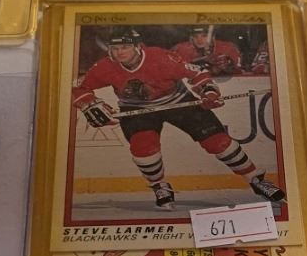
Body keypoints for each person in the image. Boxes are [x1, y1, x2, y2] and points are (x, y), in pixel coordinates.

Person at [74, 28, 284, 210]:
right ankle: (159, 186)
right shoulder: (104, 67)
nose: (120, 52)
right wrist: (88, 103)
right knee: (144, 150)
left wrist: (209, 92)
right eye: (115, 48)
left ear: (138, 47)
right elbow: (78, 88)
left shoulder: (162, 58)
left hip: (178, 101)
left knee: (219, 143)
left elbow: (198, 74)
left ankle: (256, 180)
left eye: (125, 47)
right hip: (137, 109)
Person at [171, 24, 244, 76]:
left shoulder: (228, 48)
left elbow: (240, 72)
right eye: (195, 36)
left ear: (213, 37)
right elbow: (172, 71)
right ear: (191, 38)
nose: (199, 40)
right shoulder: (180, 49)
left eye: (204, 36)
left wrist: (228, 68)